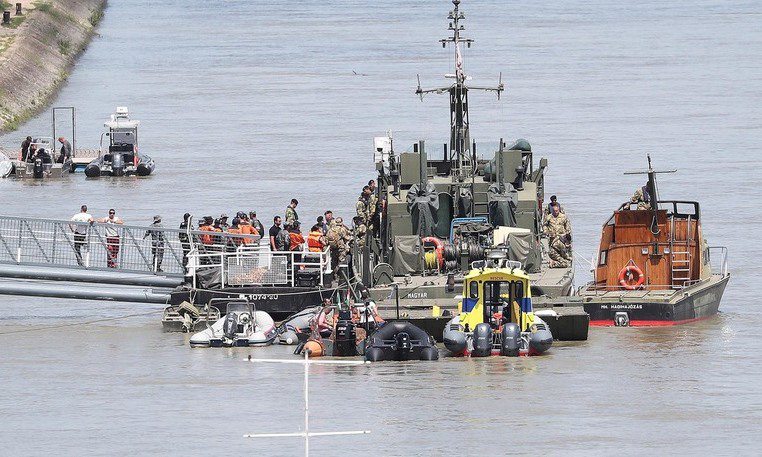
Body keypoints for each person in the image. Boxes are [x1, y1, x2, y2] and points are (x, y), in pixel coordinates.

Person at [542, 202, 572, 268]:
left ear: (559, 210)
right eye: (554, 211)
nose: (555, 212)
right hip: (552, 237)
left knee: (562, 249)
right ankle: (555, 260)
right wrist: (546, 231)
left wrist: (567, 234)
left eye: (557, 211)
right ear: (552, 210)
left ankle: (561, 259)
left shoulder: (563, 217)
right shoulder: (549, 217)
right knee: (553, 249)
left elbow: (567, 226)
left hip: (561, 236)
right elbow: (544, 225)